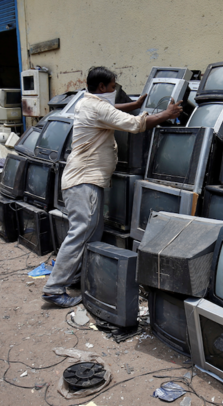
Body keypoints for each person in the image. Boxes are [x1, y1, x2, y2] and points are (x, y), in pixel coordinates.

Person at [42, 66, 183, 307]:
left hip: (84, 181)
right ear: (101, 88)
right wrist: (166, 114)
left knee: (91, 234)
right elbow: (136, 125)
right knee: (81, 233)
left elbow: (111, 110)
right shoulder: (96, 107)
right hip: (83, 181)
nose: (115, 89)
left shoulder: (88, 102)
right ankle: (54, 289)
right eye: (113, 86)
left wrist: (136, 103)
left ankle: (74, 278)